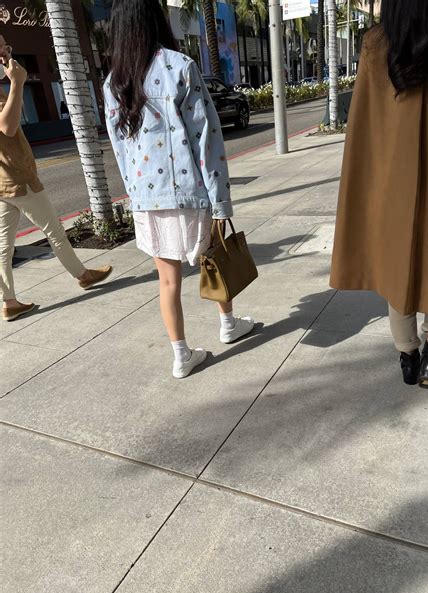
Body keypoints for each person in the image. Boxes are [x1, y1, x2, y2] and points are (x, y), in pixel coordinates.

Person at [104, 0, 254, 379]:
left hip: (146, 198)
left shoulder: (113, 83)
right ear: (155, 20)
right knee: (215, 258)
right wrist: (220, 199)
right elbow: (207, 139)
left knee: (167, 280)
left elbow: (120, 149)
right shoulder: (179, 66)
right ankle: (228, 324)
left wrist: (135, 196)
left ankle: (181, 355)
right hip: (189, 190)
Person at [330, 0, 428, 389]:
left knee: (398, 267)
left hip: (394, 182)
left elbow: (365, 129)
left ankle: (407, 353)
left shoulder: (376, 46)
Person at [0, 35, 113, 322]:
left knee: (3, 247)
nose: (6, 53)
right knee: (55, 232)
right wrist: (17, 82)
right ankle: (83, 275)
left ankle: (9, 301)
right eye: (1, 47)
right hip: (17, 180)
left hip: (4, 181)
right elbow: (8, 128)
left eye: (7, 46)